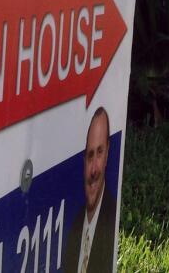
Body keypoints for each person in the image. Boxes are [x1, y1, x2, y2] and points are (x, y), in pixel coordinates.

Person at [62, 107, 116, 273]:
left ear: (108, 153)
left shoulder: (111, 216)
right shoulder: (72, 228)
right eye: (90, 155)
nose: (93, 170)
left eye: (99, 153)